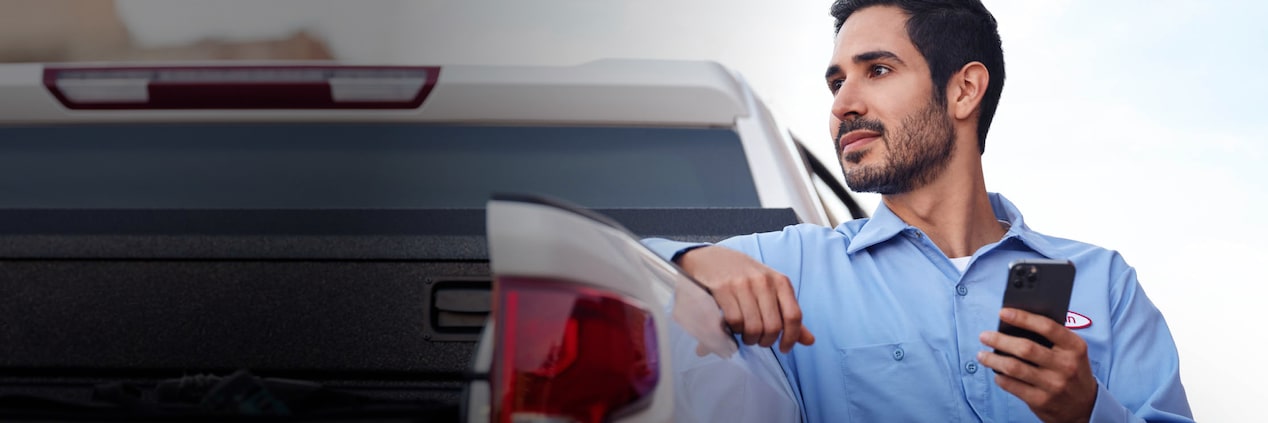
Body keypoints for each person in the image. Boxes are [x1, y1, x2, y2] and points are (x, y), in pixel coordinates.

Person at [643, 0, 1193, 421]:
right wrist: (690, 262)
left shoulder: (1105, 283)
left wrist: (1086, 411)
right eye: (836, 83)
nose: (842, 105)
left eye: (877, 70)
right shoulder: (793, 267)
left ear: (964, 90)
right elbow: (622, 269)